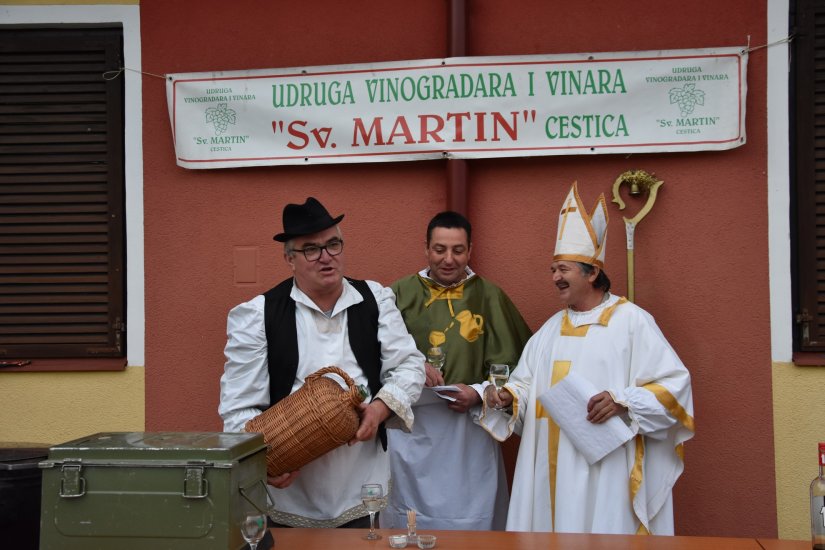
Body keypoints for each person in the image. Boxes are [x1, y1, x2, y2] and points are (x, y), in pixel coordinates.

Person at [483, 182, 694, 535]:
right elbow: (524, 383)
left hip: (606, 469)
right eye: (553, 270)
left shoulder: (632, 322)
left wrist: (622, 401)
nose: (554, 278)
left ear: (592, 272)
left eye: (563, 269)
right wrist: (508, 397)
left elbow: (674, 386)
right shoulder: (548, 332)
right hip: (547, 472)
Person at [219, 197, 426, 528]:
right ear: (289, 258)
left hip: (362, 487)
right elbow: (238, 407)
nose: (326, 256)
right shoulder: (259, 315)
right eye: (311, 249)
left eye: (333, 244)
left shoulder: (375, 299)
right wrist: (264, 463)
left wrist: (379, 409)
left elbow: (410, 366)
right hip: (290, 494)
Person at [385, 211, 532, 530]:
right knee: (408, 518)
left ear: (470, 250)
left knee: (469, 521)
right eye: (439, 249)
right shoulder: (397, 294)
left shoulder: (490, 297)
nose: (448, 259)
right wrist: (412, 365)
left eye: (458, 250)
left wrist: (480, 394)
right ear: (426, 248)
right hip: (411, 431)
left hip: (470, 434)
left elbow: (522, 369)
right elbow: (370, 355)